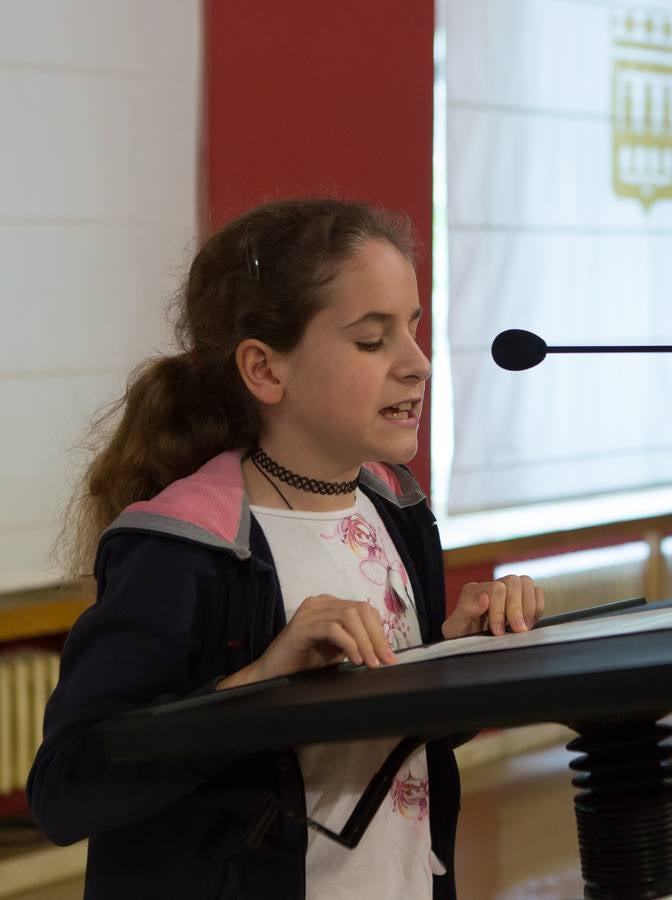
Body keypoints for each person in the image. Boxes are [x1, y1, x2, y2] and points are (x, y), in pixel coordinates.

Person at [27, 197, 544, 899]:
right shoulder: (184, 545)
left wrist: (456, 658)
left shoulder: (397, 509)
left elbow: (388, 756)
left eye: (415, 330)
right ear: (266, 370)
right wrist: (259, 683)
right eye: (372, 341)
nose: (418, 365)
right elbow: (66, 787)